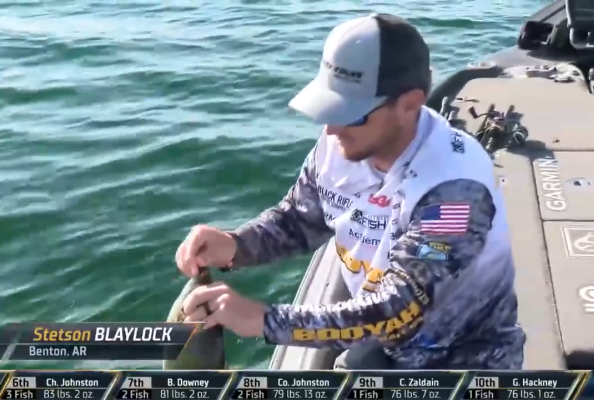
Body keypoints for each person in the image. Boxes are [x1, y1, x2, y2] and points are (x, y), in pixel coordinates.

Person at [174, 13, 526, 369]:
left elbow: (400, 311)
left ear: (409, 104)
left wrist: (263, 320)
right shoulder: (342, 144)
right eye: (331, 107)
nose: (331, 129)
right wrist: (235, 245)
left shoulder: (456, 191)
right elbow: (300, 219)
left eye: (352, 113)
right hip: (384, 346)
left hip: (463, 362)